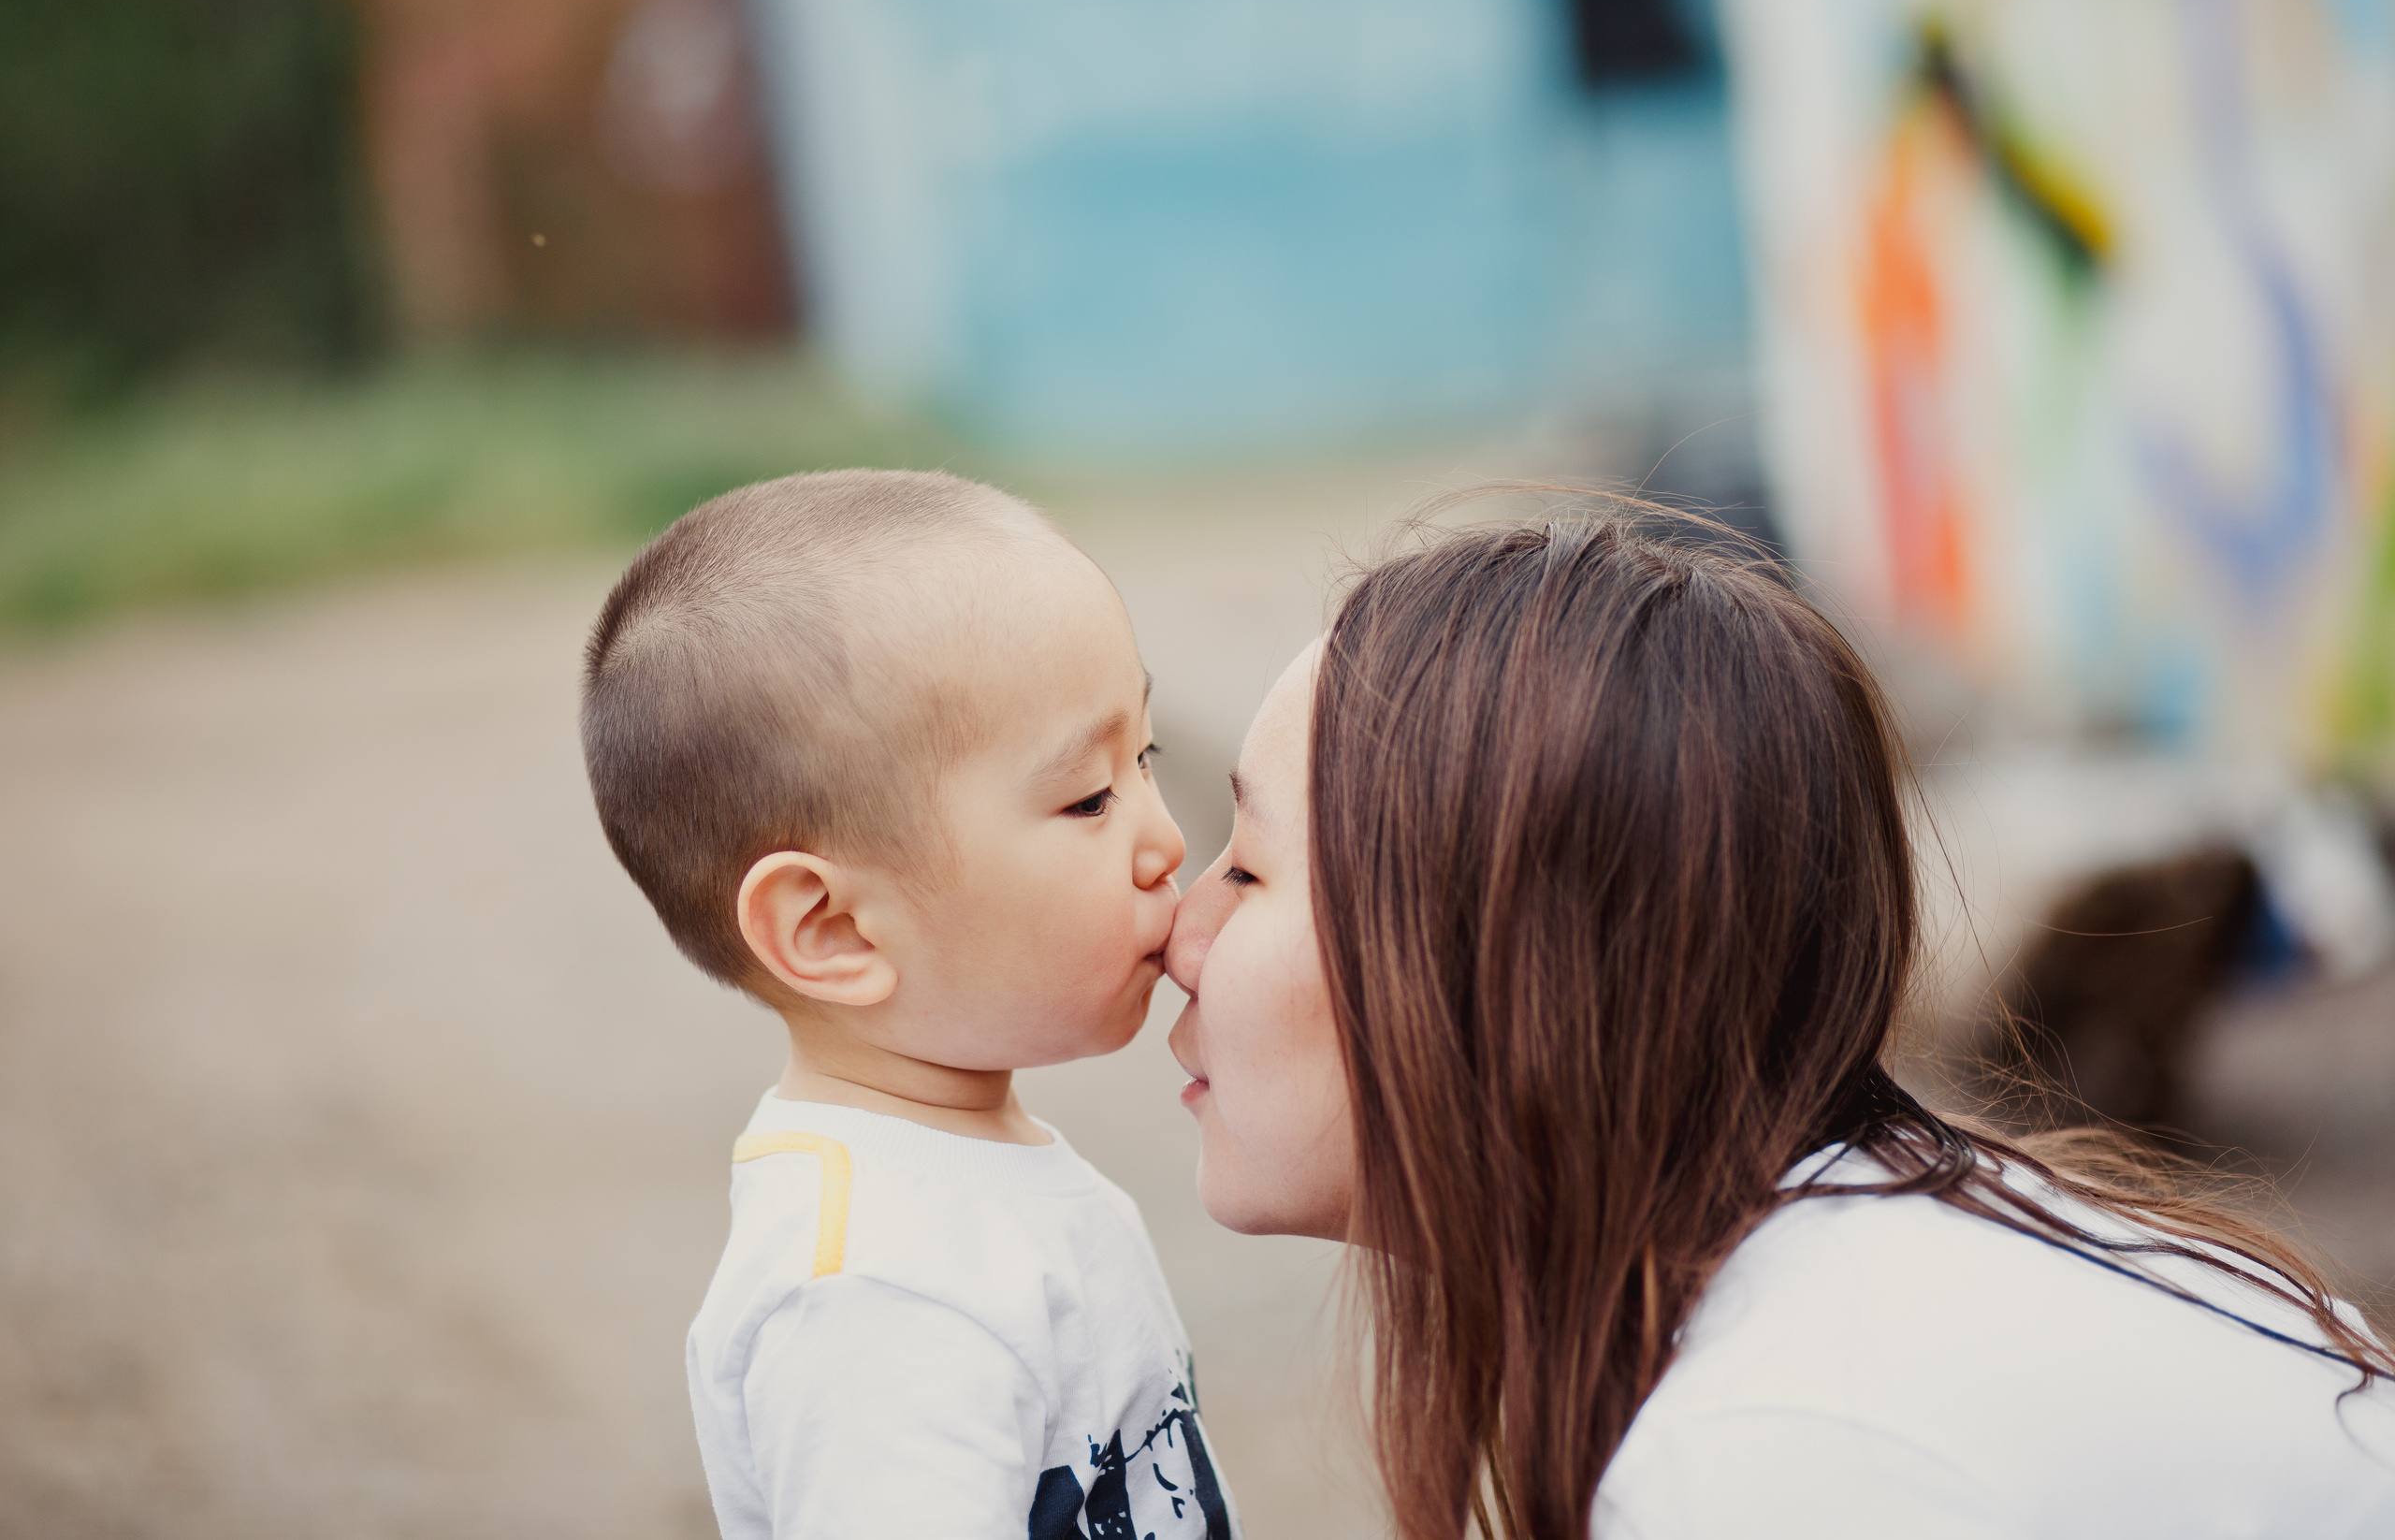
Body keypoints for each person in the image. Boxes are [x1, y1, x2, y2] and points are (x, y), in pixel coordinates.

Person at [1164, 513, 2395, 1540]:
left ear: (1492, 967)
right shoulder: (1846, 1285)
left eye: (1249, 867)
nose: (1178, 934)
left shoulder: (1776, 1456)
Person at [582, 470, 1239, 1540]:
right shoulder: (875, 1295)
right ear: (832, 929)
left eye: (1145, 757)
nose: (1164, 839)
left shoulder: (954, 1189)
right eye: (1088, 796)